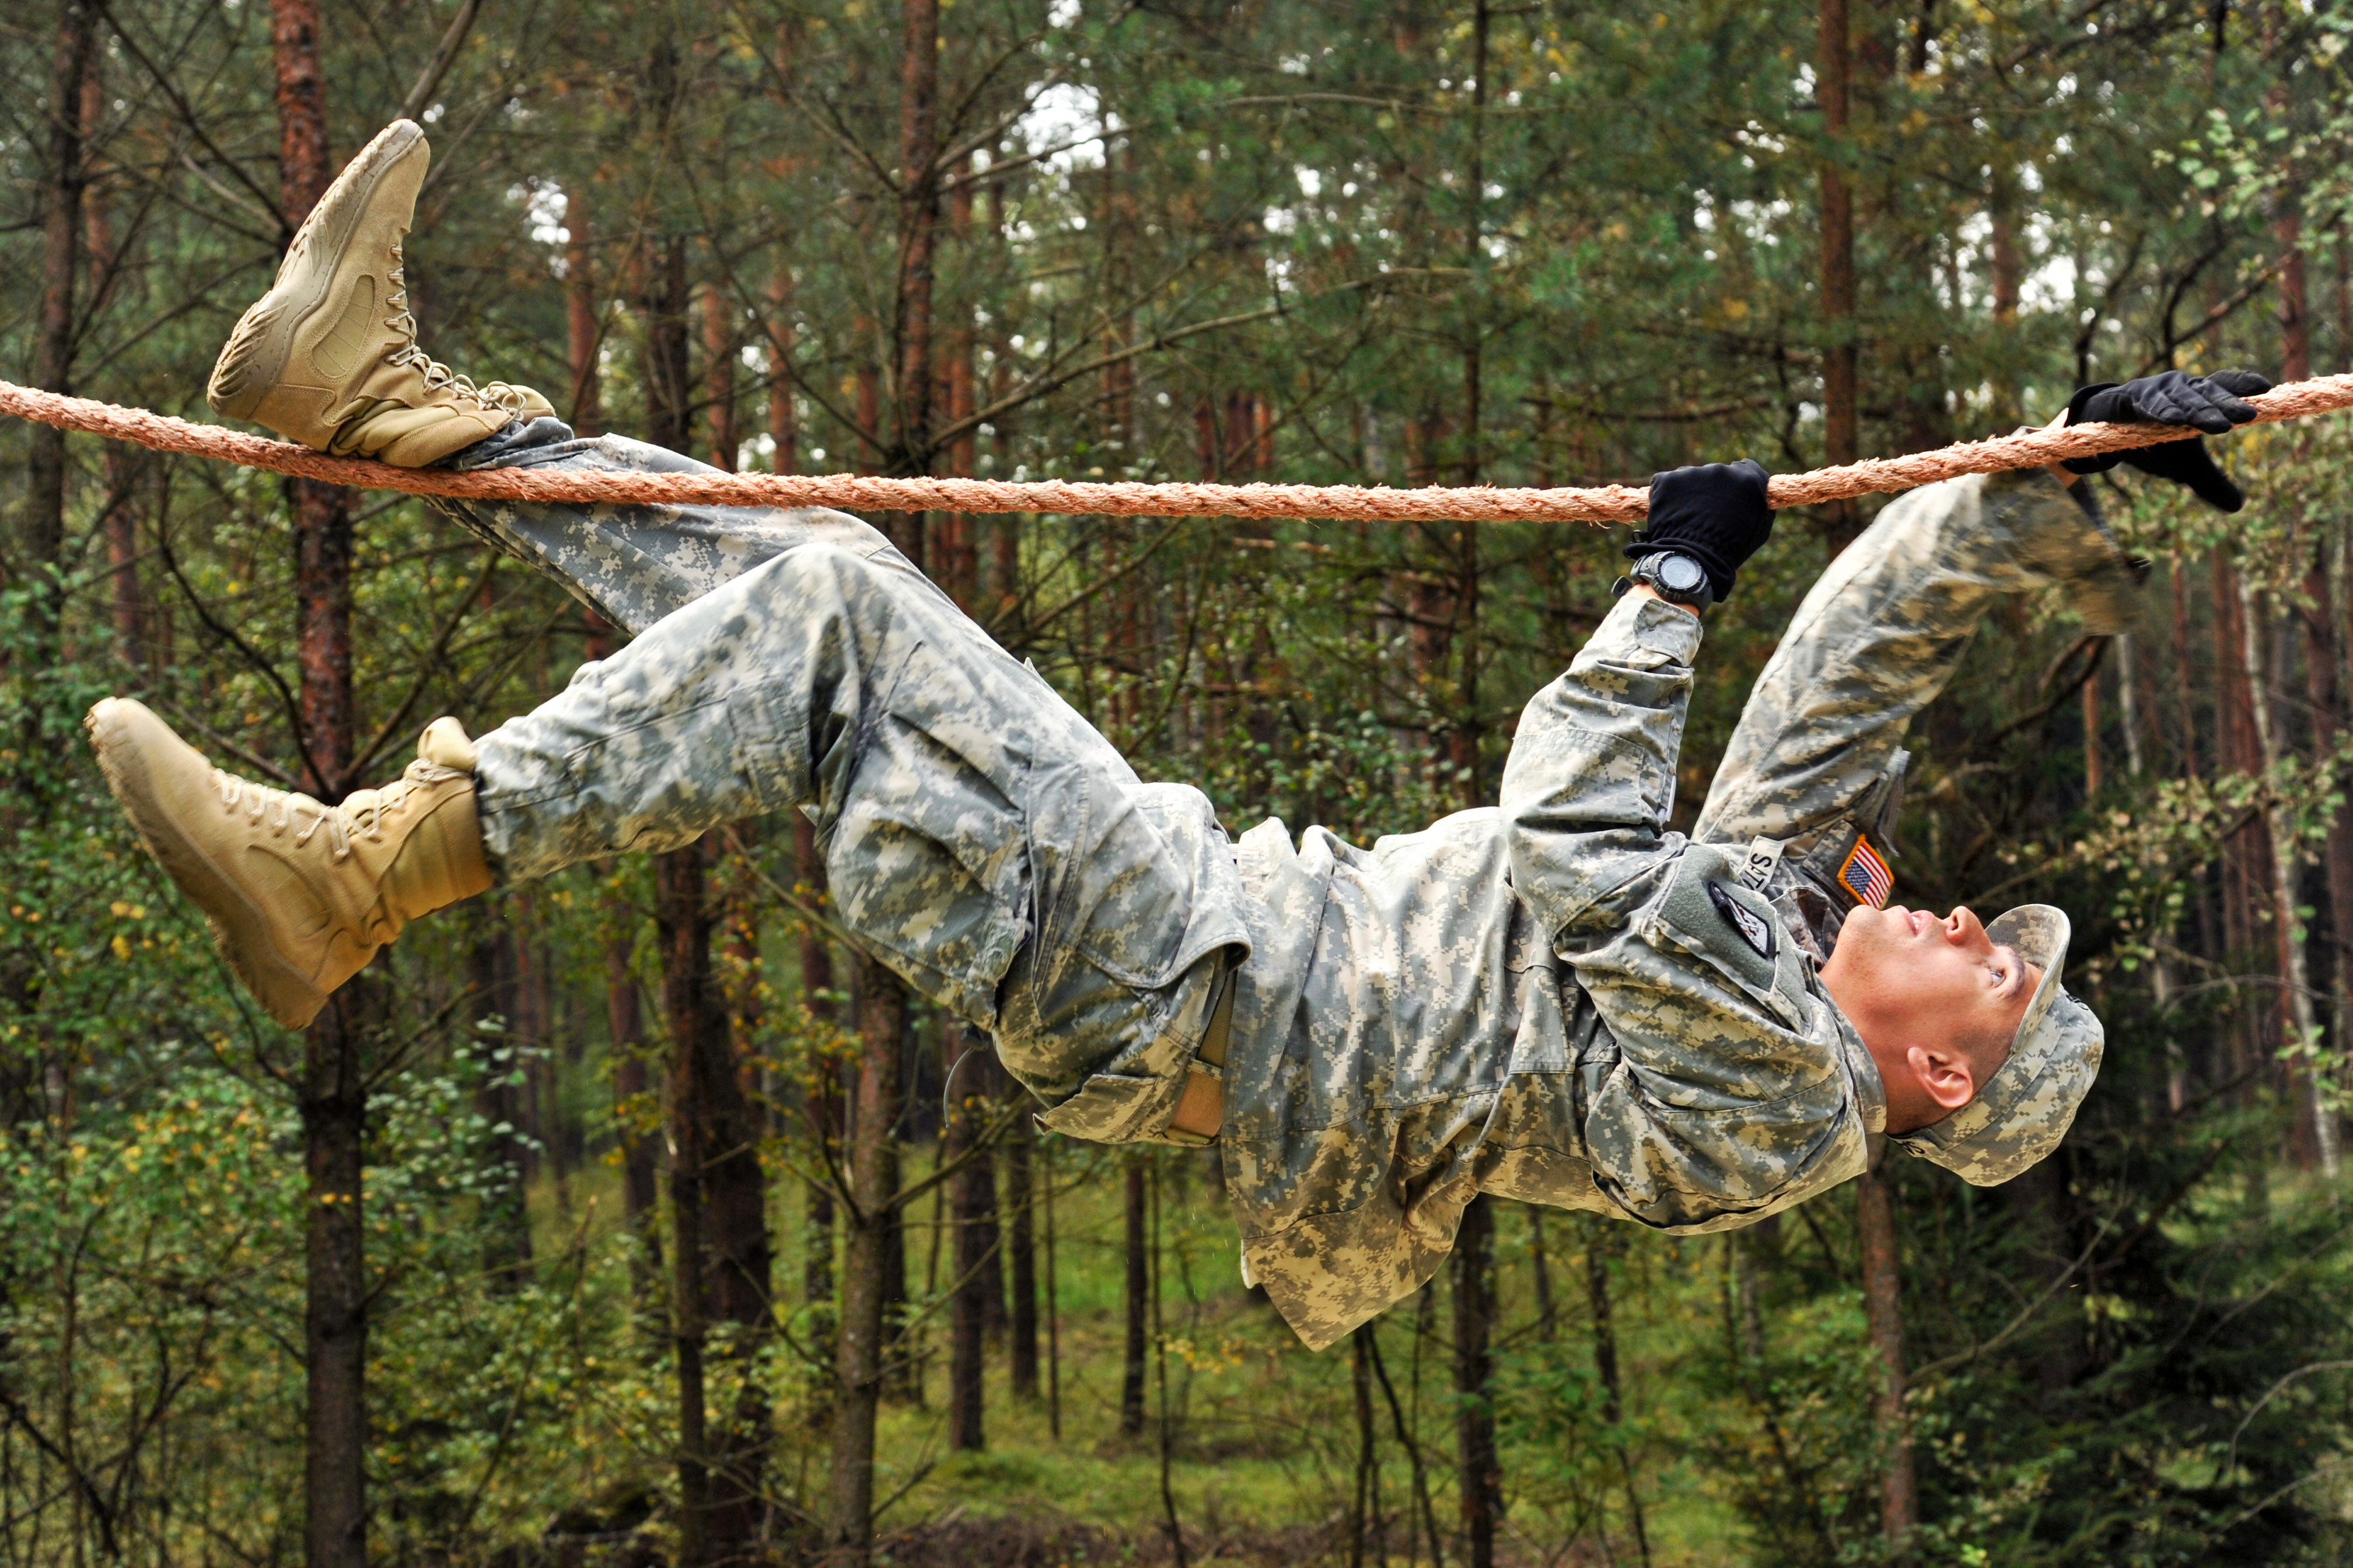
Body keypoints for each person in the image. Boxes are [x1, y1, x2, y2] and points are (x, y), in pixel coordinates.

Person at [86, 120, 2269, 1350]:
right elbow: (1847, 694)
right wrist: (2052, 479)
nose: (1981, 914)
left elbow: (1581, 839)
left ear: (1947, 1068)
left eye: (1999, 961)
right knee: (813, 578)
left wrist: (1673, 584)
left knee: (835, 607)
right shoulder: (1794, 963)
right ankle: (382, 406)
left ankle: (365, 873)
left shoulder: (1785, 1102)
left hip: (1194, 988)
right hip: (1203, 924)